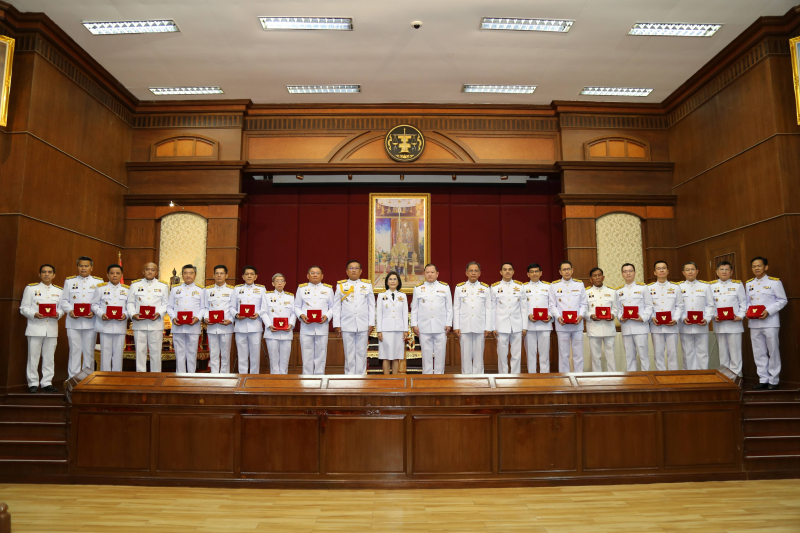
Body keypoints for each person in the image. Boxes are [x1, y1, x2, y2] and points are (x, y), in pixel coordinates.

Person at [20, 264, 63, 393]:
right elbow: (23, 308)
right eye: (44, 272)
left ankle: (46, 383)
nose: (46, 274)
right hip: (35, 328)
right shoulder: (31, 289)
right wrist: (34, 314)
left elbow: (62, 308)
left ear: (54, 275)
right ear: (40, 274)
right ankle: (33, 383)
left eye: (49, 272)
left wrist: (58, 314)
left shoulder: (59, 291)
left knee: (49, 358)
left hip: (51, 328)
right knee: (33, 357)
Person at [746, 256, 787, 389]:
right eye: (754, 266)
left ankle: (774, 380)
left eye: (759, 265)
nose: (756, 268)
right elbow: (747, 302)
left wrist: (768, 311)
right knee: (758, 351)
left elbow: (782, 300)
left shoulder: (774, 282)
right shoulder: (749, 284)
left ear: (766, 267)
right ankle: (763, 379)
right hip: (754, 323)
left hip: (770, 322)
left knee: (773, 350)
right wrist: (748, 312)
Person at [59, 256, 102, 379]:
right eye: (81, 265)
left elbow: (100, 302)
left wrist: (93, 312)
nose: (83, 268)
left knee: (89, 352)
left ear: (91, 268)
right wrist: (70, 311)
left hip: (91, 323)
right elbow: (64, 301)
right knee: (74, 351)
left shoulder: (98, 282)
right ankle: (73, 379)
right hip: (73, 322)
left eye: (86, 266)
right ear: (77, 267)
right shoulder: (69, 281)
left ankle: (87, 379)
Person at [333, 260, 376, 375]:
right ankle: (349, 377)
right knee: (349, 353)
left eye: (356, 268)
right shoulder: (341, 286)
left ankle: (361, 377)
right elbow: (336, 306)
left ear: (360, 271)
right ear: (347, 271)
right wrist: (337, 324)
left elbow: (371, 305)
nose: (353, 270)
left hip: (363, 323)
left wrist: (371, 323)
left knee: (362, 353)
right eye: (351, 268)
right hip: (347, 324)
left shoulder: (367, 285)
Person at [127, 263, 169, 372]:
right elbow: (130, 303)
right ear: (143, 271)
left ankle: (156, 376)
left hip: (156, 324)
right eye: (147, 269)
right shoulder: (135, 285)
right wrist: (133, 314)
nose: (150, 271)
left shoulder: (163, 286)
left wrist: (159, 313)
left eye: (152, 270)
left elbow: (165, 304)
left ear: (156, 272)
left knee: (156, 353)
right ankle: (141, 377)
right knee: (140, 352)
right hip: (139, 324)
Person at [411, 264, 452, 374]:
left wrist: (449, 323)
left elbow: (449, 307)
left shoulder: (444, 287)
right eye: (427, 272)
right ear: (424, 274)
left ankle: (439, 378)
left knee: (440, 355)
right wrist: (414, 325)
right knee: (426, 356)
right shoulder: (418, 288)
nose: (430, 274)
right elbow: (414, 308)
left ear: (437, 274)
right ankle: (427, 378)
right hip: (424, 327)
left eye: (432, 272)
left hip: (441, 327)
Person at [294, 266, 335, 375]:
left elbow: (333, 307)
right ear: (308, 276)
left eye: (317, 273)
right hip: (306, 327)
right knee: (306, 355)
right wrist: (301, 315)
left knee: (321, 355)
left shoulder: (328, 289)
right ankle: (307, 379)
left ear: (322, 276)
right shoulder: (301, 289)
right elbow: (296, 306)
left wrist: (327, 316)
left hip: (322, 327)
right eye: (312, 273)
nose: (315, 275)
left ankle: (320, 377)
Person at [548, 261, 587, 373]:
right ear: (560, 272)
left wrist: (581, 315)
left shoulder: (579, 285)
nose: (566, 271)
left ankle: (579, 376)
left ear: (572, 270)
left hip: (577, 324)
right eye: (564, 269)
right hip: (562, 325)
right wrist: (558, 317)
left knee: (578, 353)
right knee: (563, 354)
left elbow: (584, 304)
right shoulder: (554, 286)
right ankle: (564, 377)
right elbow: (552, 305)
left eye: (568, 269)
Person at [453, 261, 491, 374]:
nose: (473, 273)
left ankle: (479, 379)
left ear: (479, 273)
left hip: (480, 326)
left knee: (479, 356)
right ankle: (466, 379)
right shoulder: (459, 288)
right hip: (464, 326)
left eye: (475, 271)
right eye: (471, 271)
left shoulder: (485, 288)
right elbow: (456, 308)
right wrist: (456, 326)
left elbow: (489, 309)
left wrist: (488, 327)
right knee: (465, 356)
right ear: (466, 273)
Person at [167, 265, 206, 374]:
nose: (188, 275)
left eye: (191, 273)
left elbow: (203, 308)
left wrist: (198, 318)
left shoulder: (201, 290)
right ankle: (180, 377)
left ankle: (191, 376)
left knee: (192, 353)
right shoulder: (175, 289)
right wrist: (173, 317)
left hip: (193, 327)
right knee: (179, 354)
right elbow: (169, 307)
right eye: (185, 273)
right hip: (178, 327)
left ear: (195, 275)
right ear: (182, 274)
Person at [710, 261, 746, 377]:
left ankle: (736, 377)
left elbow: (743, 303)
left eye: (727, 269)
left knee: (735, 352)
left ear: (731, 272)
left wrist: (740, 316)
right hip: (719, 324)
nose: (724, 272)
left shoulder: (737, 285)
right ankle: (725, 378)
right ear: (717, 272)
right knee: (722, 352)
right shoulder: (711, 286)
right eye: (722, 269)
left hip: (734, 324)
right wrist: (713, 316)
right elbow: (709, 305)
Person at [91, 264, 129, 372]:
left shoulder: (127, 289)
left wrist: (125, 314)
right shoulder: (100, 288)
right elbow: (94, 305)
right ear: (107, 275)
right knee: (105, 354)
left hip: (120, 326)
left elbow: (130, 306)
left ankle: (117, 377)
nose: (115, 275)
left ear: (121, 275)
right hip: (105, 326)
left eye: (117, 273)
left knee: (118, 355)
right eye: (112, 273)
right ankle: (105, 377)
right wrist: (101, 314)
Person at [616, 263, 652, 371]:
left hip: (640, 327)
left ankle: (646, 377)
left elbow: (649, 306)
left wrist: (643, 317)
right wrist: (621, 317)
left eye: (630, 271)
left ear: (635, 273)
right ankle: (632, 377)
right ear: (622, 274)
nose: (628, 273)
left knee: (643, 355)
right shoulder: (618, 291)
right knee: (629, 356)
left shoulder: (643, 288)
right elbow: (618, 309)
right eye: (625, 271)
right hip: (626, 327)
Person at [649, 261, 684, 371]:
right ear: (654, 272)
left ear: (668, 271)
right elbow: (647, 306)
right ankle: (660, 377)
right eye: (658, 268)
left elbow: (680, 306)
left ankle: (673, 377)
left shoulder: (676, 287)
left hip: (672, 326)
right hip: (656, 326)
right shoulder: (649, 288)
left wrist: (675, 319)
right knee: (658, 354)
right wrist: (652, 317)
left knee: (672, 353)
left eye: (664, 268)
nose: (661, 270)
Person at [678, 262, 714, 370]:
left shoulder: (705, 286)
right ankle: (689, 375)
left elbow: (710, 305)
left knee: (702, 352)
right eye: (687, 270)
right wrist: (683, 318)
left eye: (692, 269)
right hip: (685, 325)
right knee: (687, 353)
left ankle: (703, 375)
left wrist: (706, 319)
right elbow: (677, 306)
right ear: (683, 272)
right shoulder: (678, 287)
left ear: (697, 271)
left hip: (701, 325)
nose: (690, 272)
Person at [491, 263, 526, 374]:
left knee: (516, 354)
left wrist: (524, 327)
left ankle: (515, 377)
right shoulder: (494, 287)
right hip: (501, 326)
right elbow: (492, 309)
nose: (507, 271)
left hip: (517, 325)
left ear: (513, 272)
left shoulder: (520, 287)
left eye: (510, 269)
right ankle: (503, 377)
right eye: (505, 269)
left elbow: (524, 308)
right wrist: (493, 327)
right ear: (501, 272)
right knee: (502, 355)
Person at [232, 265, 266, 374]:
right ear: (243, 276)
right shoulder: (237, 289)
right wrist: (236, 315)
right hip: (240, 326)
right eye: (247, 274)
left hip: (255, 326)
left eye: (252, 274)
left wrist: (258, 314)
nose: (249, 276)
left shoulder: (261, 289)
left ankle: (254, 378)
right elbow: (232, 307)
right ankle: (242, 377)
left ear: (256, 277)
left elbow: (264, 307)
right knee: (242, 356)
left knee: (255, 356)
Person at [584, 267, 617, 372]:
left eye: (599, 275)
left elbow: (616, 309)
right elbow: (583, 310)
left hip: (609, 328)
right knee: (595, 357)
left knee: (611, 356)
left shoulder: (612, 292)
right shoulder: (586, 293)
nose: (597, 277)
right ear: (591, 279)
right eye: (595, 276)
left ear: (603, 277)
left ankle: (613, 376)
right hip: (594, 328)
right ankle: (597, 377)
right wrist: (590, 315)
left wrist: (613, 315)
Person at [203, 265, 235, 373]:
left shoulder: (232, 290)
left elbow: (234, 307)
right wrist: (206, 317)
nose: (219, 275)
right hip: (212, 327)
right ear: (213, 275)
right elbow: (206, 307)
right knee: (213, 354)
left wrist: (231, 319)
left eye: (222, 273)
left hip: (226, 327)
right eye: (217, 273)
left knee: (225, 355)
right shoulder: (207, 290)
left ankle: (225, 377)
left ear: (226, 275)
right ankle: (214, 376)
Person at [263, 273, 296, 375]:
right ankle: (274, 379)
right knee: (273, 359)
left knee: (285, 359)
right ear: (273, 283)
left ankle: (284, 379)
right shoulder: (267, 296)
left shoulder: (290, 297)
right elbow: (263, 312)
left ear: (285, 283)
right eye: (277, 281)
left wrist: (291, 324)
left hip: (286, 332)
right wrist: (269, 325)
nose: (279, 283)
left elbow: (293, 313)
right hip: (272, 332)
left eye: (281, 281)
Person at [523, 263, 553, 373]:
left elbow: (553, 304)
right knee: (530, 355)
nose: (534, 273)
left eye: (536, 271)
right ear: (528, 274)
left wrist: (550, 315)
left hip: (545, 325)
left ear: (541, 273)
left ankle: (545, 377)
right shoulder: (523, 288)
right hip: (529, 325)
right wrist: (528, 314)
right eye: (532, 272)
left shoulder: (548, 287)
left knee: (544, 355)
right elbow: (521, 306)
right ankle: (531, 377)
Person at [377, 271, 408, 375]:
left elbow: (405, 314)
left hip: (399, 330)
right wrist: (379, 331)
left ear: (398, 282)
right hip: (385, 330)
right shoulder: (381, 295)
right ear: (387, 282)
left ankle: (395, 380)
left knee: (396, 357)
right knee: (385, 357)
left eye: (395, 279)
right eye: (390, 279)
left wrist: (405, 330)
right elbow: (379, 314)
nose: (392, 281)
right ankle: (386, 380)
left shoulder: (403, 296)